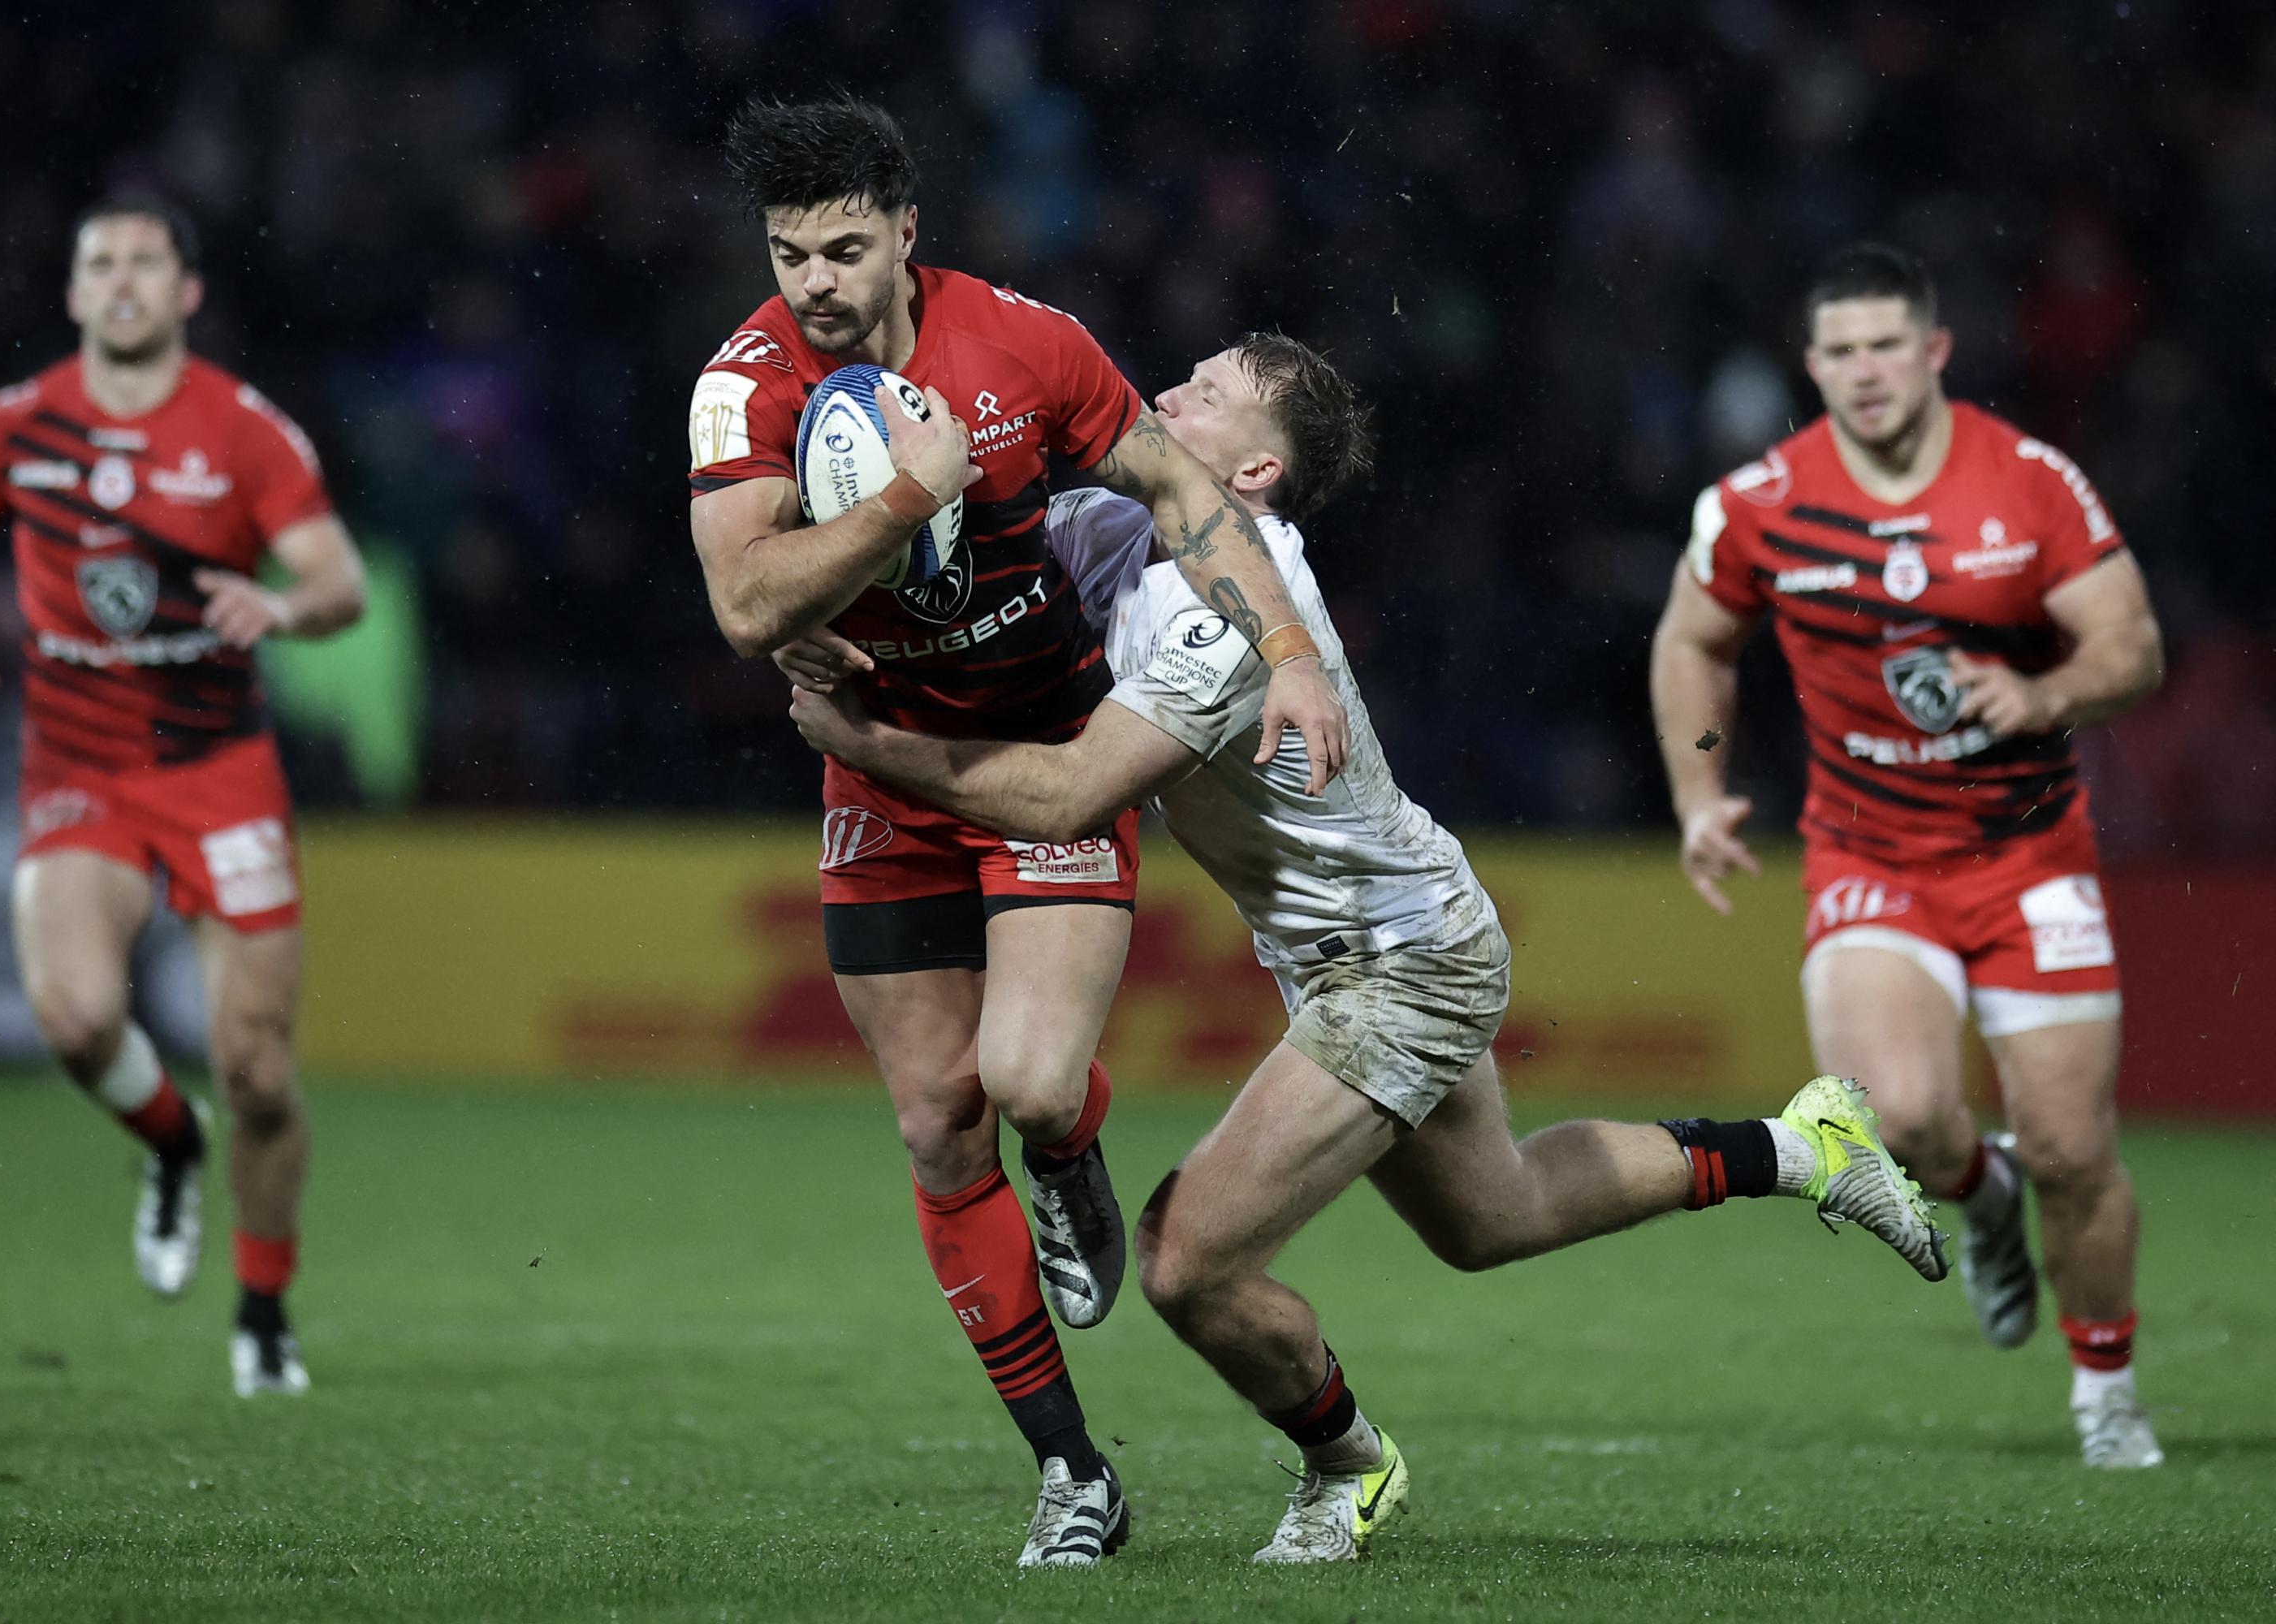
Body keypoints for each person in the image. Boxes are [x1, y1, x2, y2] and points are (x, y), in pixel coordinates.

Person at [784, 333, 1946, 1562]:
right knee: (1491, 1217)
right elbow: (963, 586)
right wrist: (825, 606)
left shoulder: (1229, 607)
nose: (1164, 394)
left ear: (1254, 474)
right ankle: (1797, 1146)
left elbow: (1072, 797)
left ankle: (1347, 1465)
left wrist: (867, 742)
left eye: (1206, 396)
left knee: (1187, 1262)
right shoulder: (1116, 523)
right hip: (1382, 934)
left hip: (1403, 963)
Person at [686, 97, 1350, 1569]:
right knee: (936, 1121)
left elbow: (1182, 488)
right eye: (791, 253)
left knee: (1033, 1087)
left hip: (1043, 736)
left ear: (909, 232)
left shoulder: (1025, 344)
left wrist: (1291, 653)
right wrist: (906, 502)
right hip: (884, 775)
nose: (817, 283)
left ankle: (1070, 1158)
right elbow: (745, 609)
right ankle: (1075, 1478)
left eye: (847, 249)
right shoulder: (743, 390)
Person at [1648, 243, 2166, 1468]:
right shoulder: (1762, 500)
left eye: (1890, 344)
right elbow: (1692, 643)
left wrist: (2042, 698)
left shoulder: (2030, 483)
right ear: (1812, 365)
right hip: (1868, 856)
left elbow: (2133, 650)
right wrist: (1698, 788)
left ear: (1935, 352)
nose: (1867, 370)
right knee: (1912, 1124)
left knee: (2074, 1150)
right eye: (1842, 350)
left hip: (2031, 858)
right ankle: (1983, 1206)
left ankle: (2106, 1391)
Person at [0, 196, 366, 1398]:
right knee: (70, 1020)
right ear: (70, 294)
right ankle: (170, 1144)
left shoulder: (245, 432)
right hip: (80, 769)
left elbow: (338, 581)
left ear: (186, 293)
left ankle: (263, 1307)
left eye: (144, 263)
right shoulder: (15, 424)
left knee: (259, 1068)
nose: (120, 280)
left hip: (222, 772)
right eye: (97, 261)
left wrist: (282, 607)